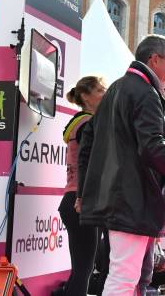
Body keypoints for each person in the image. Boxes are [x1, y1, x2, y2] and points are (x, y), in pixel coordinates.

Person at [77, 35, 165, 296]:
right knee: (125, 276)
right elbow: (153, 146)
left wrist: (84, 191)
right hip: (131, 198)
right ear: (154, 59)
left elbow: (88, 141)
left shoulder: (118, 89)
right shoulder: (143, 92)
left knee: (131, 275)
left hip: (121, 196)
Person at [60, 76, 106, 296]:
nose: (104, 93)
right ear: (86, 97)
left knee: (81, 269)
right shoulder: (88, 124)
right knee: (83, 270)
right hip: (81, 200)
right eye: (99, 90)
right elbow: (91, 162)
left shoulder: (79, 123)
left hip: (74, 199)